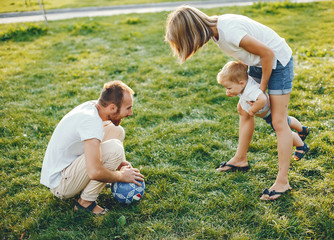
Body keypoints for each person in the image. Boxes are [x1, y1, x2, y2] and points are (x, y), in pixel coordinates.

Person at [165, 5, 299, 200]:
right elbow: (245, 54)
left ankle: (282, 181)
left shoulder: (229, 31)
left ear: (191, 33)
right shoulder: (216, 33)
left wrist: (260, 88)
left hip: (278, 61)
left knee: (278, 122)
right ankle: (240, 159)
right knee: (244, 109)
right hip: (258, 62)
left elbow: (268, 53)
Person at [40, 80, 144, 215]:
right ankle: (85, 202)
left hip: (69, 166)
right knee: (115, 149)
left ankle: (106, 176)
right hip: (60, 184)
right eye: (128, 108)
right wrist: (120, 176)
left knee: (117, 131)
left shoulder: (95, 107)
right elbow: (94, 172)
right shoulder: (91, 122)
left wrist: (121, 164)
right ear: (112, 108)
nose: (130, 113)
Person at [216, 61, 310, 167]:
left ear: (241, 83)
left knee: (282, 129)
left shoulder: (250, 90)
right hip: (268, 112)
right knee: (287, 120)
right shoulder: (242, 84)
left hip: (269, 113)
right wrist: (232, 93)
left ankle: (301, 146)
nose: (227, 91)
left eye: (229, 88)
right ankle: (302, 129)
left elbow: (262, 99)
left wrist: (252, 111)